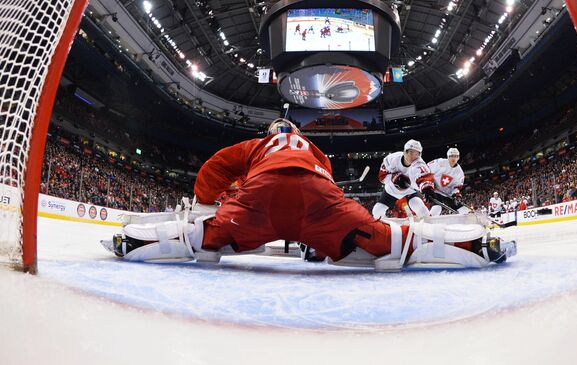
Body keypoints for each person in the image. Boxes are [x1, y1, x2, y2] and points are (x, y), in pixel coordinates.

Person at [102, 119, 514, 270]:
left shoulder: (259, 145)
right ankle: (475, 244)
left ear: (271, 136)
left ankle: (135, 240)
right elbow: (325, 180)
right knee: (383, 237)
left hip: (258, 201)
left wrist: (214, 205)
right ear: (296, 134)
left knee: (207, 236)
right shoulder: (310, 147)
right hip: (318, 201)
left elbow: (213, 169)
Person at [371, 139, 435, 219]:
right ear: (405, 152)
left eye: (416, 154)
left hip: (411, 190)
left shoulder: (420, 164)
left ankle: (429, 227)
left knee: (418, 206)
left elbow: (425, 177)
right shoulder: (392, 159)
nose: (413, 156)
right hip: (393, 190)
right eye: (411, 152)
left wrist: (427, 189)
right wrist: (393, 178)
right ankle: (383, 228)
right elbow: (382, 177)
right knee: (377, 211)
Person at [425, 147, 468, 215]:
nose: (453, 158)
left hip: (448, 193)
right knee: (437, 207)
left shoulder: (459, 172)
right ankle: (428, 222)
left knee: (463, 209)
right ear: (448, 156)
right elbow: (426, 170)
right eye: (451, 156)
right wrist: (429, 183)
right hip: (435, 190)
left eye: (455, 156)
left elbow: (456, 187)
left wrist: (456, 195)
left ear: (458, 157)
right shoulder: (439, 162)